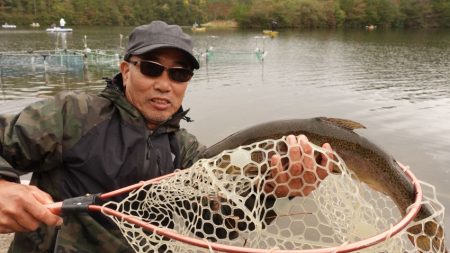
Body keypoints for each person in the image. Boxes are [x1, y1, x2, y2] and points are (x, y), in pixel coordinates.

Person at [0, 20, 333, 252]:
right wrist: (3, 186)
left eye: (179, 73)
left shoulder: (185, 151)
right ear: (126, 69)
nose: (164, 84)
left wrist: (272, 191)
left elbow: (213, 222)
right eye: (151, 68)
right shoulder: (73, 114)